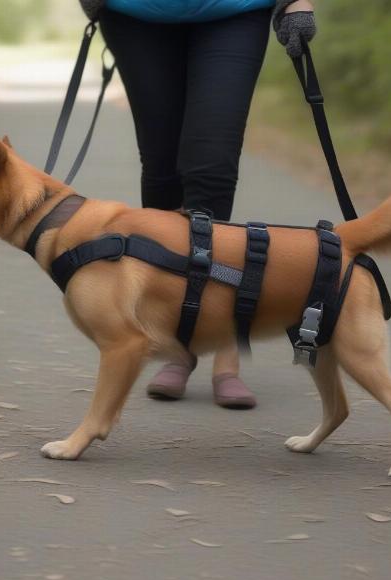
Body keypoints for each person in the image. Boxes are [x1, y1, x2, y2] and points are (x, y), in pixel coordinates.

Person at [78, 0, 316, 409]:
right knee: (162, 171)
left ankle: (224, 345)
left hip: (235, 10)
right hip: (136, 12)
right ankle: (178, 340)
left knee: (212, 167)